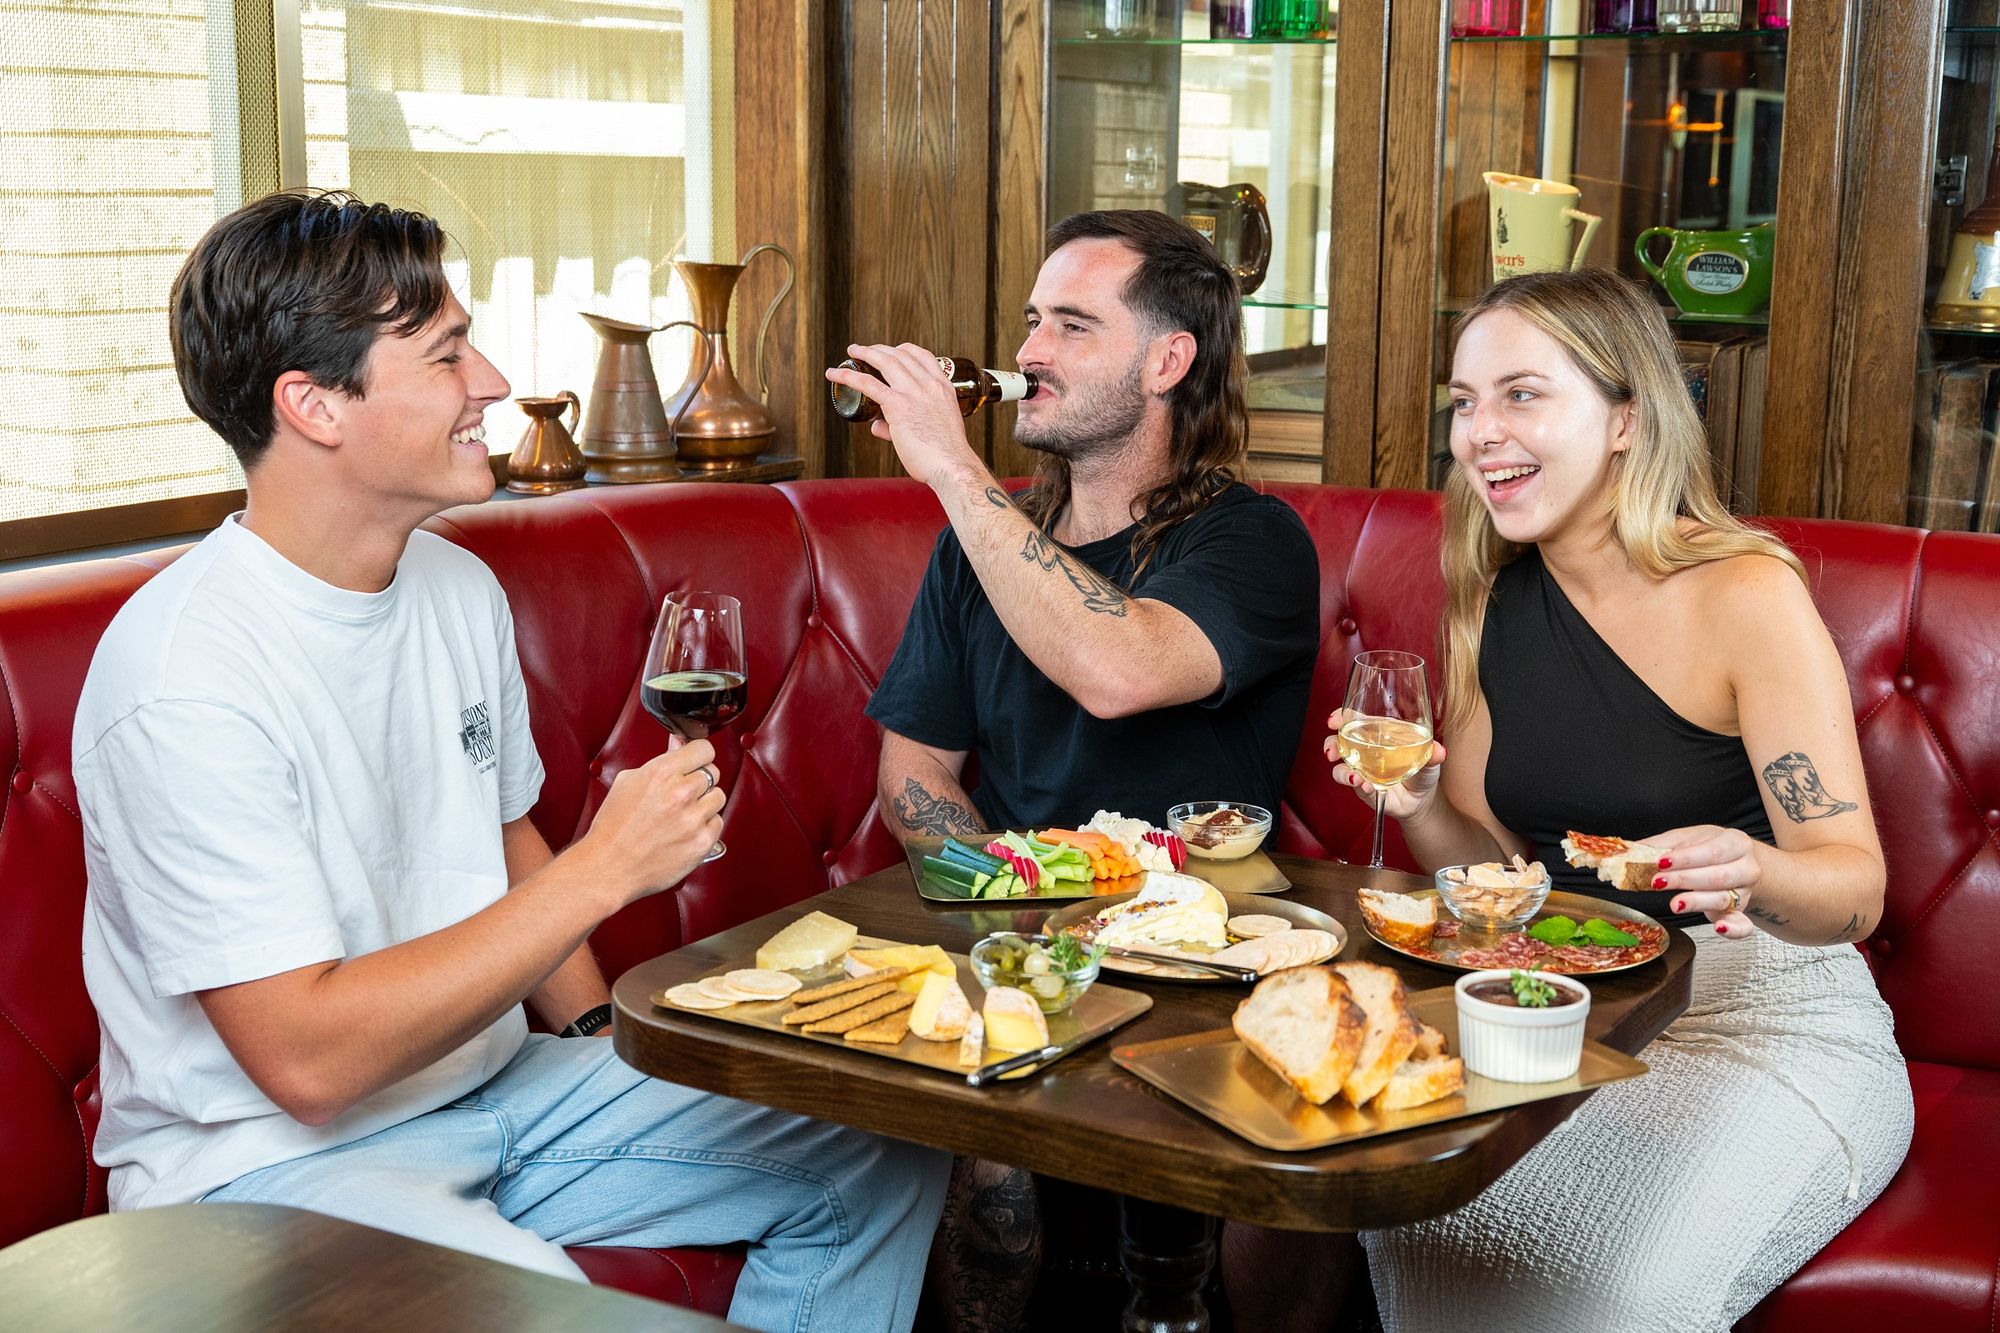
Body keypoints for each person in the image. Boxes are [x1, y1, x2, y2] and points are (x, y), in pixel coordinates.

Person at [75, 189, 947, 1333]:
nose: (489, 381)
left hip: (500, 1091)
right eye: (444, 356)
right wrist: (606, 871)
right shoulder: (182, 680)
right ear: (313, 406)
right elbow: (309, 1062)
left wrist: (601, 1049)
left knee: (876, 1137)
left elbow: (500, 837)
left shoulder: (453, 586)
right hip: (264, 1171)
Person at [1320, 268, 1912, 1332]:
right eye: (1462, 402)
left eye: (1519, 393)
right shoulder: (1496, 598)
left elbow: (1853, 890)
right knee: (1414, 1213)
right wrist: (1412, 796)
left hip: (1767, 1021)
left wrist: (1757, 870)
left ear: (1626, 418)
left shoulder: (1744, 594)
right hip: (1568, 1016)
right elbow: (1487, 873)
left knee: (1613, 1294)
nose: (1477, 432)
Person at [829, 209, 1320, 1331]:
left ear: (1166, 360)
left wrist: (953, 468)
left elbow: (1116, 665)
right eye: (1030, 322)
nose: (1031, 350)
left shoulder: (1250, 541)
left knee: (1297, 1166)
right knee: (979, 1153)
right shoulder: (980, 550)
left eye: (1071, 324)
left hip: (1204, 958)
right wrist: (1007, 902)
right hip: (1011, 949)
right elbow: (912, 765)